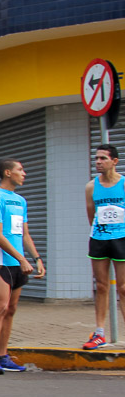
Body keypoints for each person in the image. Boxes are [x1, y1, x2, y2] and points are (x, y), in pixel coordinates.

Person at [0, 159, 44, 373]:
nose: (24, 173)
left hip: (20, 262)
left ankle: (3, 355)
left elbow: (24, 234)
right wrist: (21, 259)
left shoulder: (20, 201)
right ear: (8, 173)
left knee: (11, 309)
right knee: (0, 308)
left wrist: (36, 258)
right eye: (20, 170)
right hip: (1, 262)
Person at [82, 144, 125, 349]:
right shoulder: (91, 187)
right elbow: (91, 215)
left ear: (114, 161)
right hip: (99, 238)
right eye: (97, 158)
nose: (98, 162)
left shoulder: (124, 184)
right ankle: (99, 333)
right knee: (101, 286)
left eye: (103, 158)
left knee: (124, 288)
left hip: (122, 238)